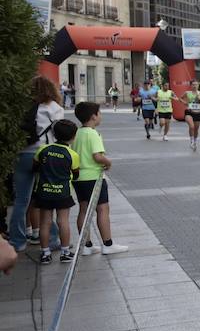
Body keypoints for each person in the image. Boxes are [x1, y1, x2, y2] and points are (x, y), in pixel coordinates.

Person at [10, 77, 64, 252]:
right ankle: (53, 238)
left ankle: (17, 242)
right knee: (47, 198)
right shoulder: (54, 108)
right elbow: (58, 134)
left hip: (22, 154)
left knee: (21, 200)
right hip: (44, 155)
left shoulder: (22, 108)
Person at [72, 102, 129, 256]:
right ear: (93, 116)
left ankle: (86, 245)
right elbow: (97, 156)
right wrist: (108, 162)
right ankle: (108, 243)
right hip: (93, 178)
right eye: (100, 113)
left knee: (83, 209)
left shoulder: (77, 133)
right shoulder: (93, 134)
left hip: (78, 178)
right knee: (102, 209)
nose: (101, 116)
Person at [33, 119, 81, 265]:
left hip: (43, 192)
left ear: (54, 134)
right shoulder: (72, 154)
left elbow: (34, 166)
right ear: (73, 137)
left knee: (45, 222)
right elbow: (76, 174)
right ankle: (65, 252)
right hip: (62, 193)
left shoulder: (43, 149)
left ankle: (45, 254)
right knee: (63, 221)